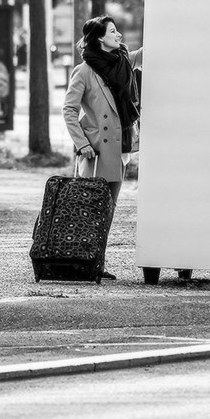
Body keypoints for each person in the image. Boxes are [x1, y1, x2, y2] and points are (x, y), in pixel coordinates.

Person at [63, 16, 143, 280]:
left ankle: (96, 263)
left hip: (121, 147)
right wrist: (82, 143)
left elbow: (147, 54)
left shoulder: (123, 60)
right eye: (112, 31)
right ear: (100, 38)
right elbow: (69, 109)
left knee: (109, 210)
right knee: (91, 209)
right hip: (96, 151)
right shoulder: (84, 71)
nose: (118, 35)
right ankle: (82, 262)